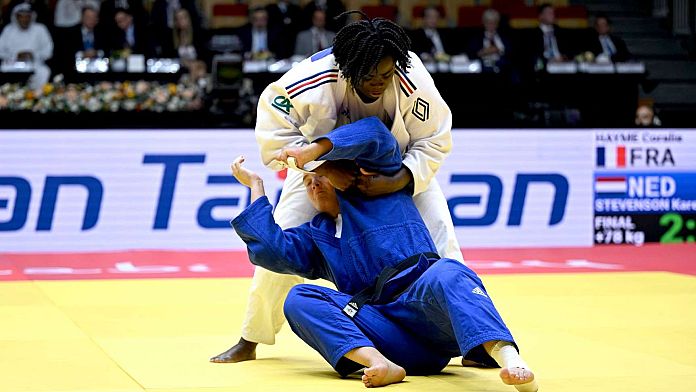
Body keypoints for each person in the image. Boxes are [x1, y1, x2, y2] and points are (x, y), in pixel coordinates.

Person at [210, 12, 463, 364]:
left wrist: (400, 178)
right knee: (282, 237)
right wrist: (325, 168)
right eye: (368, 75)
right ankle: (251, 337)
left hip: (396, 163)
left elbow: (435, 139)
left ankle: (473, 341)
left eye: (385, 75)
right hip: (318, 167)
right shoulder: (308, 79)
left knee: (442, 238)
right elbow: (275, 137)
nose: (378, 83)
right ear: (347, 67)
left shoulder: (410, 75)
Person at [229, 117, 538, 391]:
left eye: (320, 177)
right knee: (297, 298)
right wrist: (256, 186)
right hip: (386, 333)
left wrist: (313, 157)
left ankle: (509, 358)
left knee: (449, 271)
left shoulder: (377, 186)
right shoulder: (316, 236)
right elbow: (271, 251)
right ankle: (378, 364)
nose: (313, 184)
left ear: (339, 173)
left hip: (428, 309)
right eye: (307, 182)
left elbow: (374, 132)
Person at [0, 3, 53, 93]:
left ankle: (36, 98)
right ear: (16, 17)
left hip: (35, 63)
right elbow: (1, 51)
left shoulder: (40, 29)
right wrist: (16, 56)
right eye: (21, 16)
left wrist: (33, 55)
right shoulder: (8, 30)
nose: (24, 19)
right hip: (12, 64)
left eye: (27, 16)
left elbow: (48, 50)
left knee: (44, 71)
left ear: (31, 17)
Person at [467, 8, 511, 73]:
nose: (491, 26)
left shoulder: (504, 37)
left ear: (497, 23)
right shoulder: (477, 38)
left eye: (494, 23)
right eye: (488, 23)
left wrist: (499, 50)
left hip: (502, 67)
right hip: (483, 68)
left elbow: (511, 53)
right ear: (484, 23)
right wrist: (482, 52)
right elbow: (470, 54)